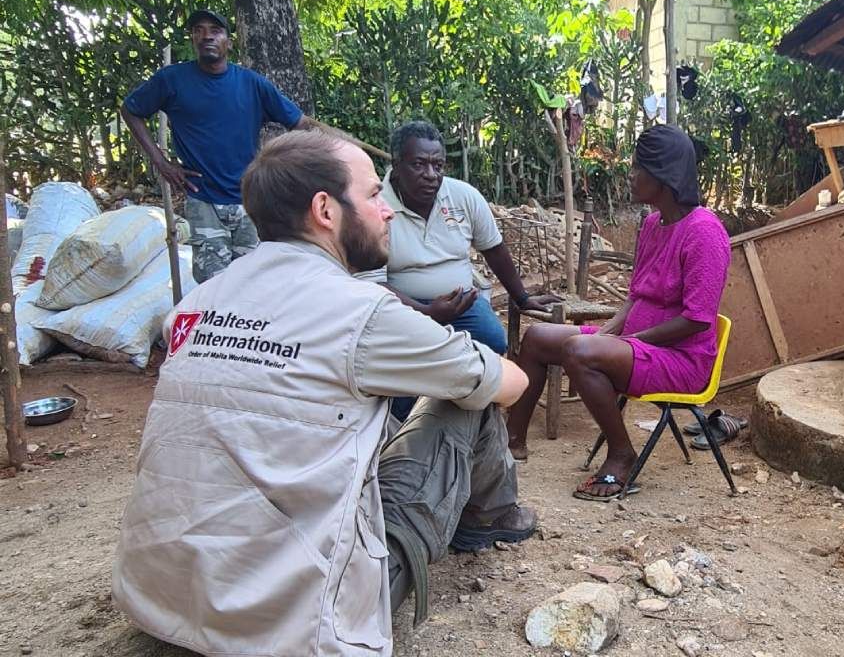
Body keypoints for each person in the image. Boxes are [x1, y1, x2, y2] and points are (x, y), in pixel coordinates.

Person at [112, 130, 537, 657]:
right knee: (465, 393)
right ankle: (490, 518)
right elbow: (510, 385)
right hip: (295, 625)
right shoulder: (360, 311)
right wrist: (468, 367)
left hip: (160, 599)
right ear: (325, 210)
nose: (386, 212)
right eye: (374, 195)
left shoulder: (194, 305)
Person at [505, 125, 731, 501]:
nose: (630, 175)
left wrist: (632, 340)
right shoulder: (652, 223)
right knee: (538, 338)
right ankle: (511, 442)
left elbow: (697, 319)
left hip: (682, 360)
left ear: (662, 174)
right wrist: (611, 332)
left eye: (637, 167)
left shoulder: (704, 233)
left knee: (580, 351)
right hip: (636, 347)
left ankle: (622, 455)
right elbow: (634, 297)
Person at [361, 120, 558, 421]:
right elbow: (372, 283)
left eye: (438, 165)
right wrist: (426, 313)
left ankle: (464, 416)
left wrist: (521, 297)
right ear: (397, 165)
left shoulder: (462, 196)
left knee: (493, 341)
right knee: (406, 359)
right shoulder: (375, 207)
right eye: (419, 164)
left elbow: (494, 248)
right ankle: (404, 424)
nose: (431, 175)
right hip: (398, 304)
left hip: (461, 300)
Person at [121, 9, 322, 283]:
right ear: (192, 39)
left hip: (250, 200)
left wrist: (291, 166)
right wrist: (162, 163)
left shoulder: (252, 84)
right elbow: (131, 110)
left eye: (215, 31)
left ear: (228, 41)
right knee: (213, 287)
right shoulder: (172, 80)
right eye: (199, 30)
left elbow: (298, 123)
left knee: (255, 282)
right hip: (203, 199)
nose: (206, 37)